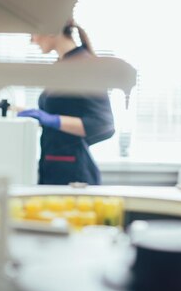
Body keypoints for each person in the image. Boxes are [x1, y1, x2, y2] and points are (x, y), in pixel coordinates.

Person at [18, 19, 115, 185]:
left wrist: (52, 120)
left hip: (73, 175)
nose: (32, 40)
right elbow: (66, 113)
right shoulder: (63, 65)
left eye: (33, 33)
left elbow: (103, 125)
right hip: (53, 167)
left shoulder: (86, 66)